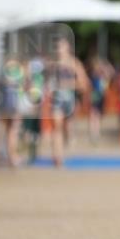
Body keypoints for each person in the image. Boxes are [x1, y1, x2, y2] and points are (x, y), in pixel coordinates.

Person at [46, 39, 89, 167]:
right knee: (56, 126)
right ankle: (57, 157)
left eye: (61, 47)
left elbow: (83, 84)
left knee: (66, 128)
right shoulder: (52, 64)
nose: (59, 50)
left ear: (67, 48)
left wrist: (68, 84)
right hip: (56, 100)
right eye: (57, 47)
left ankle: (65, 145)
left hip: (69, 99)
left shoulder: (74, 63)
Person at [87, 56, 114, 145]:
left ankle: (96, 133)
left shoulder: (103, 76)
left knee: (97, 116)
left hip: (101, 97)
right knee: (93, 115)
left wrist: (106, 65)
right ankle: (93, 133)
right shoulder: (93, 75)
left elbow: (111, 72)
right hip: (94, 96)